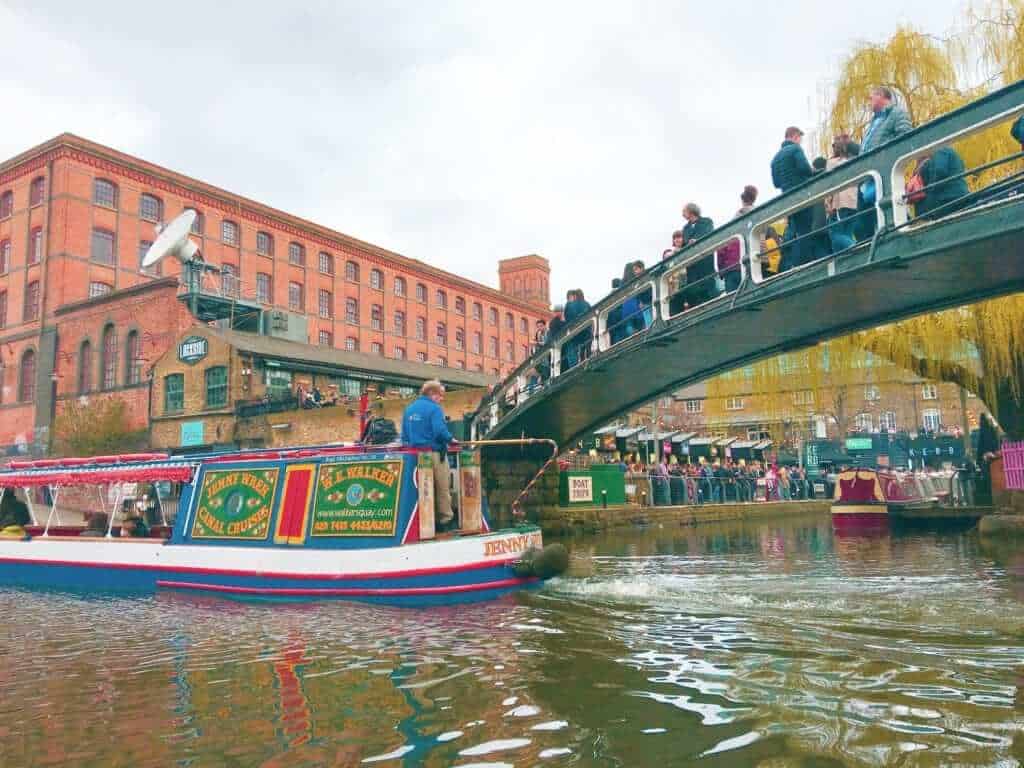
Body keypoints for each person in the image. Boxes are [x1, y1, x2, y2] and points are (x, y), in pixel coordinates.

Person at [401, 380, 456, 530]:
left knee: (424, 490)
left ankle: (425, 522)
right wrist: (451, 439)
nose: (441, 399)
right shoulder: (435, 409)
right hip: (434, 454)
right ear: (432, 394)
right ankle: (445, 521)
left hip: (415, 456)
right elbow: (439, 430)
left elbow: (404, 436)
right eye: (440, 395)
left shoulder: (409, 409)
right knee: (442, 488)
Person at [771, 126, 814, 271]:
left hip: (787, 199)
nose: (800, 141)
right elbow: (805, 169)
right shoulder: (795, 149)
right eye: (800, 138)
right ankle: (805, 264)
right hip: (802, 195)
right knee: (805, 230)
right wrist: (813, 172)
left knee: (792, 229)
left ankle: (788, 264)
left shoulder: (775, 159)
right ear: (795, 136)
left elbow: (776, 183)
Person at [913, 146, 970, 220]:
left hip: (947, 200)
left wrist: (930, 190)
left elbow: (940, 171)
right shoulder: (951, 154)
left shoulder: (942, 151)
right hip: (957, 197)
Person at [826, 135, 859, 252]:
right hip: (854, 202)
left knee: (835, 235)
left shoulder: (831, 163)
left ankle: (856, 247)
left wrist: (828, 204)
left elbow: (829, 184)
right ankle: (850, 255)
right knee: (847, 233)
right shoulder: (851, 162)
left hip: (840, 203)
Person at [861, 86, 913, 154]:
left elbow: (905, 139)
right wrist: (850, 145)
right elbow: (866, 151)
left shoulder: (898, 113)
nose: (869, 103)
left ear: (880, 95)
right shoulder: (873, 122)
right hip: (867, 163)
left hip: (885, 162)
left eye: (871, 98)